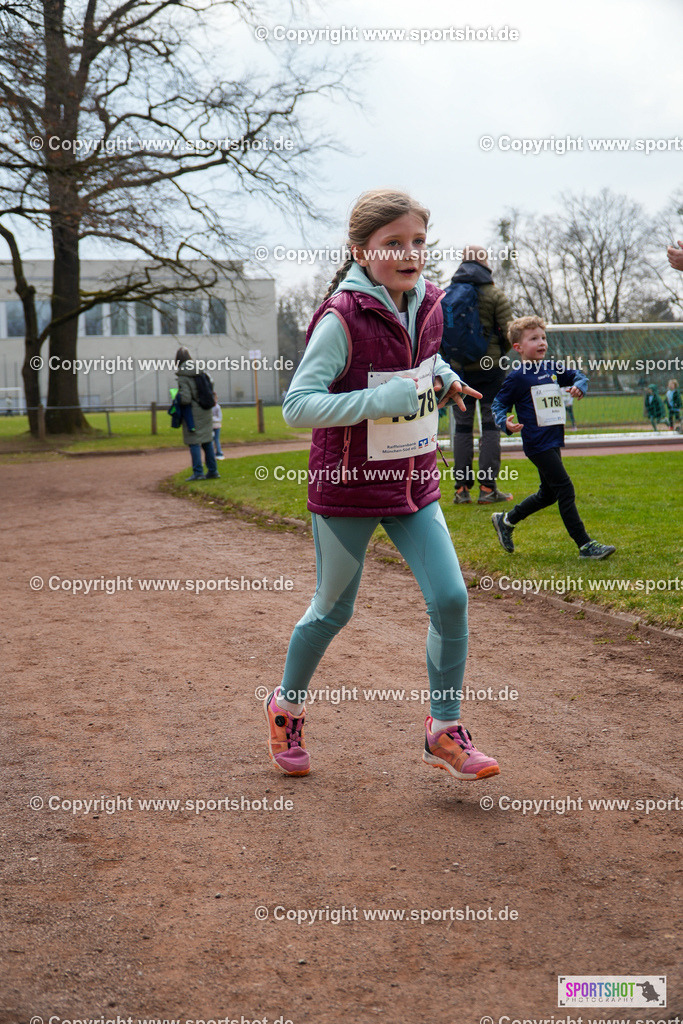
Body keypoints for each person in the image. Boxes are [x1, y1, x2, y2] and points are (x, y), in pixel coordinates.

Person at [263, 189, 500, 782]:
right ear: (360, 251)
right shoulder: (341, 317)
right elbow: (297, 406)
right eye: (393, 243)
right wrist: (382, 400)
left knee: (451, 598)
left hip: (414, 483)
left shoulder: (431, 304)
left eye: (417, 241)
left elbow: (424, 360)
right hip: (348, 488)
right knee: (331, 611)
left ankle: (444, 729)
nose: (409, 252)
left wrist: (444, 377)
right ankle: (286, 707)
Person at [490, 315, 615, 560]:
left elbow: (579, 374)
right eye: (534, 338)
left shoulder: (552, 369)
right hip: (537, 443)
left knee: (548, 493)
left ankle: (506, 520)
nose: (542, 342)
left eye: (543, 337)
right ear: (518, 348)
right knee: (565, 489)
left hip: (553, 439)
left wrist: (580, 385)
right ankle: (585, 545)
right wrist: (503, 421)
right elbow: (498, 403)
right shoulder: (518, 377)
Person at [445, 247, 514, 505]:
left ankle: (461, 490)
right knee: (491, 425)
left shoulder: (449, 293)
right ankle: (487, 489)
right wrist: (496, 354)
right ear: (485, 262)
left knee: (462, 428)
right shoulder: (495, 293)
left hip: (458, 371)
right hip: (490, 370)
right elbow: (509, 334)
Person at [175, 346, 219, 481]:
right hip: (206, 410)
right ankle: (213, 470)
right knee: (207, 441)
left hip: (193, 413)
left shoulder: (183, 376)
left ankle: (198, 472)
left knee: (194, 442)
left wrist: (177, 397)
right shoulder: (200, 371)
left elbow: (186, 398)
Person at [212, 392, 225, 458]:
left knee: (216, 439)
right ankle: (213, 453)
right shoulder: (209, 407)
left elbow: (219, 418)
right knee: (211, 440)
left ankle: (219, 452)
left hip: (216, 426)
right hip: (211, 426)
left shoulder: (217, 407)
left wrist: (213, 418)